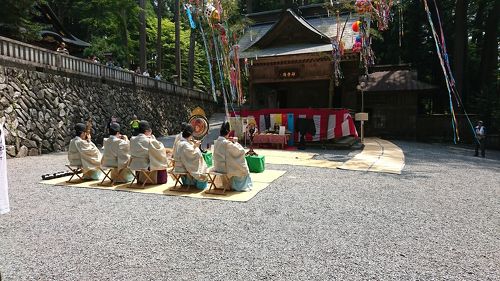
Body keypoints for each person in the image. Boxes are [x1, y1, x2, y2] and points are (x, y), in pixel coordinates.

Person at [213, 122, 253, 192]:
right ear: (228, 132)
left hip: (217, 167)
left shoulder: (216, 142)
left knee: (233, 162)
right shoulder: (227, 143)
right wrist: (235, 142)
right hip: (225, 169)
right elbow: (241, 151)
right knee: (243, 166)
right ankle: (238, 186)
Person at [173, 124, 208, 189]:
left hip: (178, 164)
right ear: (190, 135)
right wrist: (196, 146)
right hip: (182, 166)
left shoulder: (180, 142)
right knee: (202, 166)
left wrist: (194, 146)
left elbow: (189, 152)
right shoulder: (185, 144)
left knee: (201, 163)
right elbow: (193, 155)